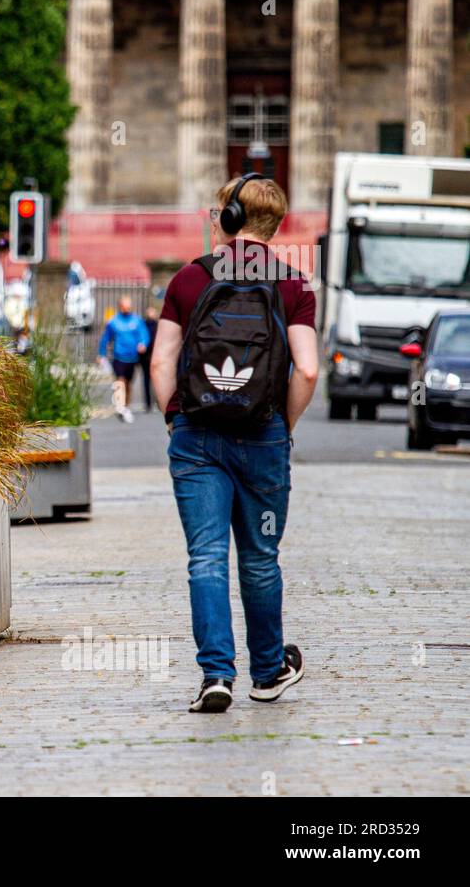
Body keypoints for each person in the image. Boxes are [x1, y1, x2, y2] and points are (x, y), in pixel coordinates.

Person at [150, 175, 319, 714]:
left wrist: (177, 420)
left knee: (206, 558)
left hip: (197, 439)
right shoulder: (294, 286)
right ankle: (268, 672)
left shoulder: (189, 280)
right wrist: (282, 427)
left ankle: (216, 676)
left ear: (227, 218)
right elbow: (309, 370)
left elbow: (159, 364)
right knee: (260, 557)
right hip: (263, 437)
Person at [98, 296, 150, 422]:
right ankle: (120, 406)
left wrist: (143, 343)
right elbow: (105, 338)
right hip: (119, 356)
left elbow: (144, 334)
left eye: (128, 306)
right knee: (120, 381)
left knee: (129, 384)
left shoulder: (137, 321)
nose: (126, 308)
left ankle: (126, 406)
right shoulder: (114, 322)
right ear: (120, 306)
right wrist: (101, 354)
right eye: (124, 306)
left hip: (132, 358)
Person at [141, 306, 159, 412]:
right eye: (149, 312)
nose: (150, 314)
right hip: (145, 357)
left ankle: (157, 402)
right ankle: (148, 403)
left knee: (157, 381)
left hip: (155, 356)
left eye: (152, 312)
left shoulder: (158, 325)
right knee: (146, 380)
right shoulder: (143, 325)